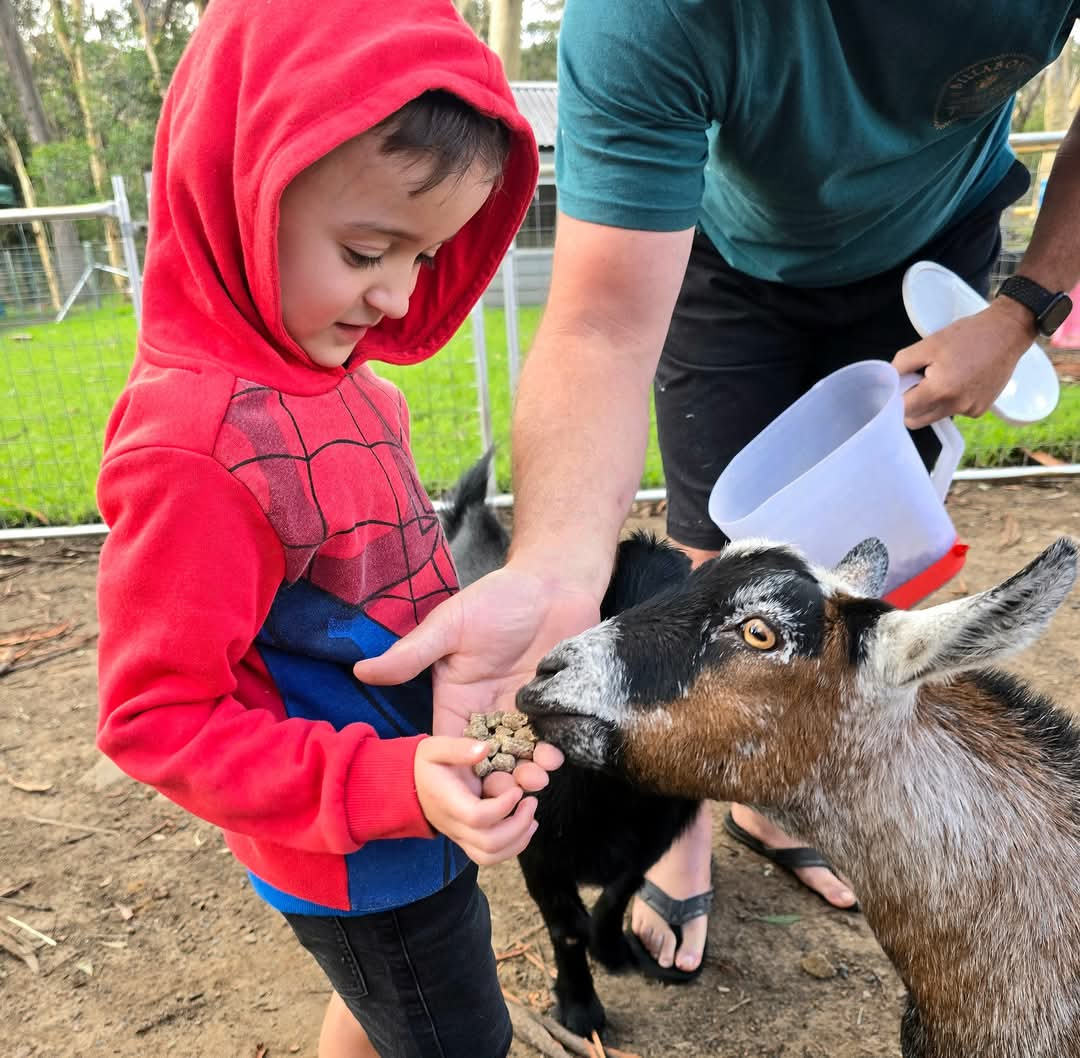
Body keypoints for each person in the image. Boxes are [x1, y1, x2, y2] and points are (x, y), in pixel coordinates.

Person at [355, 0, 1080, 986]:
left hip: (933, 247)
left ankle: (766, 796)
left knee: (854, 573)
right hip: (727, 261)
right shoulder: (644, 19)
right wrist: (558, 563)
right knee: (716, 566)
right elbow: (602, 323)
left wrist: (1029, 302)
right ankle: (683, 823)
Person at [94, 2, 561, 1056]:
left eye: (427, 256)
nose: (398, 298)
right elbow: (153, 716)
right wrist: (391, 782)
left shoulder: (337, 374)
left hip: (417, 802)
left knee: (381, 1002)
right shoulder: (196, 446)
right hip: (360, 855)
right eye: (365, 249)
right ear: (242, 188)